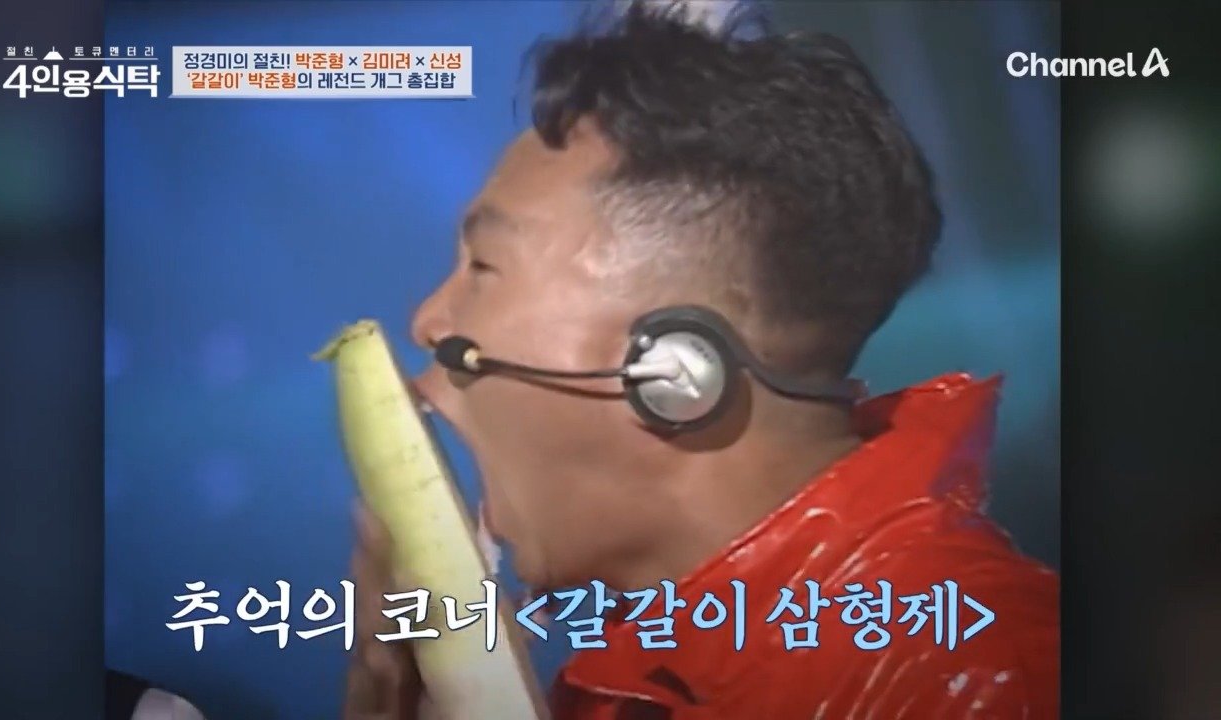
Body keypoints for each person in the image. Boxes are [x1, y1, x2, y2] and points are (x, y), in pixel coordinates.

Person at [344, 3, 1059, 718]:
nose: (427, 321)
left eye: (483, 265)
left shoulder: (979, 678)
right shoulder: (625, 685)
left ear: (675, 371)